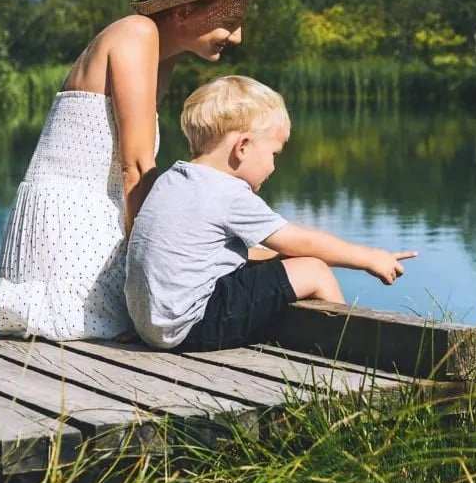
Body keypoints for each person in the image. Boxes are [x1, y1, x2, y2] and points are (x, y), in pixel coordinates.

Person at [0, 0, 274, 341]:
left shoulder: (161, 54)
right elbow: (136, 167)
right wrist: (156, 273)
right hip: (68, 229)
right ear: (186, 10)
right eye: (230, 20)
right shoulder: (136, 34)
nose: (238, 36)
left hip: (92, 216)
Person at [125, 75, 417, 352]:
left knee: (269, 258)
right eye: (274, 154)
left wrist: (277, 260)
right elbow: (301, 242)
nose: (274, 167)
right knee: (314, 269)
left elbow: (214, 258)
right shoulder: (226, 191)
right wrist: (370, 258)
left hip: (151, 326)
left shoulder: (172, 180)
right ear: (242, 147)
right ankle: (351, 356)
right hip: (195, 325)